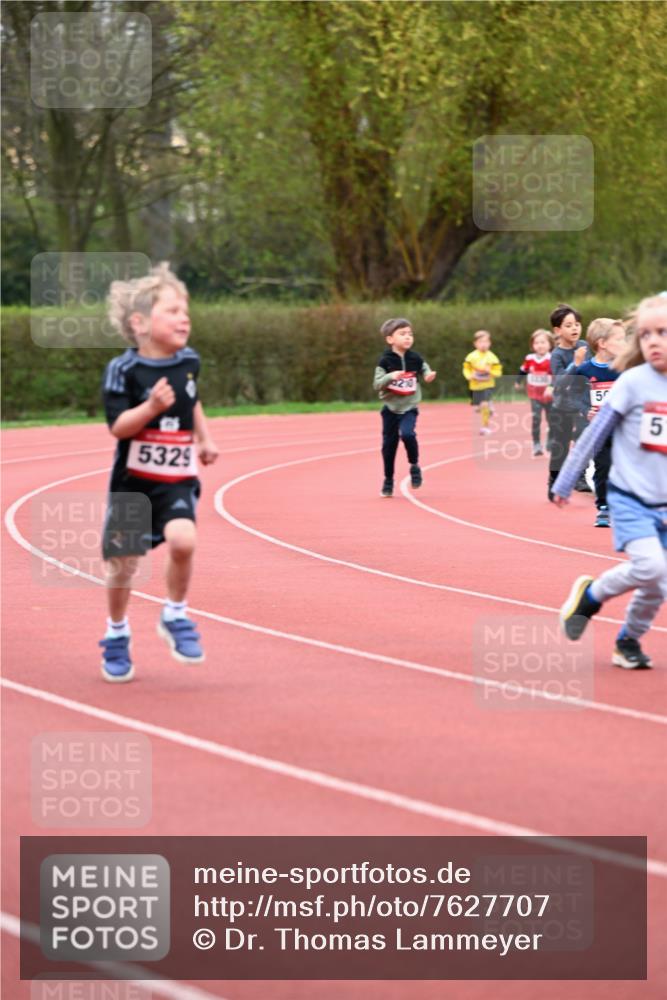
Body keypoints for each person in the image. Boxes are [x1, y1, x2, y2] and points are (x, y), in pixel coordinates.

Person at [99, 263, 219, 682]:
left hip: (176, 478)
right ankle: (116, 633)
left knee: (184, 540)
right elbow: (118, 427)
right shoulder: (124, 370)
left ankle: (176, 613)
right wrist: (150, 408)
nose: (184, 317)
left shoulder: (189, 361)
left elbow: (193, 397)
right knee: (123, 563)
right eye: (171, 310)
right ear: (140, 323)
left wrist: (204, 437)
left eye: (185, 309)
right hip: (133, 484)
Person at [554, 294, 667, 670]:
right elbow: (594, 433)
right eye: (646, 334)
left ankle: (628, 641)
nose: (653, 340)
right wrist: (567, 479)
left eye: (663, 333)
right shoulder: (632, 383)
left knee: (657, 586)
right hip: (631, 496)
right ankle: (592, 598)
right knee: (651, 567)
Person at [557, 318, 626, 526]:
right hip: (599, 431)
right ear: (602, 343)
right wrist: (586, 411)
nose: (625, 345)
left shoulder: (624, 368)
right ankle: (604, 507)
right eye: (620, 340)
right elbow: (572, 395)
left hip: (624, 430)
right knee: (602, 468)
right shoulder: (585, 371)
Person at [373, 317, 437, 498]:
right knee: (388, 445)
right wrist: (390, 376)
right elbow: (377, 384)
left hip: (409, 406)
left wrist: (428, 375)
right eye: (402, 334)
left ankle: (414, 466)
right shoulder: (385, 361)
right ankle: (388, 480)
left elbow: (424, 368)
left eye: (410, 334)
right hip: (390, 409)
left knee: (408, 434)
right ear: (390, 339)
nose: (408, 337)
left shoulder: (415, 358)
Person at [545, 303, 590, 500]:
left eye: (577, 324)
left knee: (584, 439)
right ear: (558, 330)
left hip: (582, 405)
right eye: (569, 325)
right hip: (562, 407)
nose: (575, 328)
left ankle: (580, 476)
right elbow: (560, 381)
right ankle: (554, 479)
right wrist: (576, 364)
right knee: (560, 447)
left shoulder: (585, 347)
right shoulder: (557, 355)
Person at [514, 328, 554, 456]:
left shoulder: (552, 358)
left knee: (552, 419)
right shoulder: (529, 358)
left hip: (549, 395)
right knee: (536, 418)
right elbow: (523, 370)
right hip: (535, 395)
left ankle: (550, 439)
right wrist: (517, 381)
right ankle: (536, 444)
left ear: (550, 344)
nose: (540, 345)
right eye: (537, 343)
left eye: (543, 342)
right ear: (532, 345)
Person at [462, 330, 502, 435]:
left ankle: (485, 427)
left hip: (488, 385)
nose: (483, 344)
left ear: (490, 343)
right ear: (475, 344)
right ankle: (489, 407)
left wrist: (491, 371)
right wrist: (470, 376)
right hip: (475, 386)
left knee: (484, 405)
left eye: (486, 342)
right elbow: (466, 369)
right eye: (480, 342)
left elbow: (498, 372)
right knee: (478, 406)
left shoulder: (492, 357)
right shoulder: (471, 357)